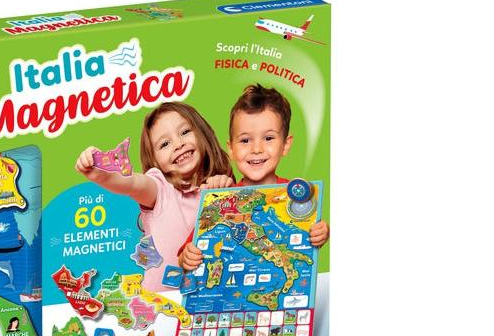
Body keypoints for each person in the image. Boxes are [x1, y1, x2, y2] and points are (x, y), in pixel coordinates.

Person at [75, 102, 234, 292]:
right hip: (162, 304)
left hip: (204, 302)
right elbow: (132, 183)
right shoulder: (159, 188)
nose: (179, 144)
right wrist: (102, 174)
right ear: (155, 161)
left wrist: (225, 191)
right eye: (165, 144)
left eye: (185, 132)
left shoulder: (221, 186)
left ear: (203, 134)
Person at [177, 84, 330, 271]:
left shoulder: (296, 194)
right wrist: (186, 257)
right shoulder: (222, 199)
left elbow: (305, 237)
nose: (256, 149)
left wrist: (321, 233)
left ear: (285, 144)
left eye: (268, 138)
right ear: (231, 149)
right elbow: (186, 252)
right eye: (245, 140)